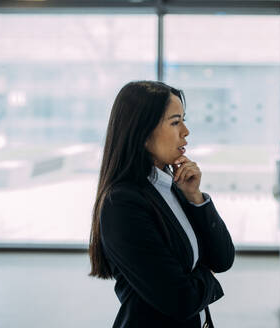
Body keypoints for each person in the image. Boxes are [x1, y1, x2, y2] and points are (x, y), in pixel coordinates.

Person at [88, 81, 235, 328]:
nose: (186, 131)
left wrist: (195, 198)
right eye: (175, 122)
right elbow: (180, 300)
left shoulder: (171, 185)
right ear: (143, 132)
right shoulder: (122, 204)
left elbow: (222, 258)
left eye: (183, 120)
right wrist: (205, 277)